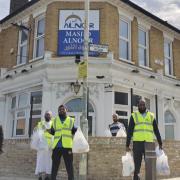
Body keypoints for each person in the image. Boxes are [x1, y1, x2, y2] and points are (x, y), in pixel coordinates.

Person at [126, 99, 162, 180]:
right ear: (138, 105)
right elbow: (129, 131)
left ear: (146, 106)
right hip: (137, 144)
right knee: (137, 165)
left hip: (149, 144)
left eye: (143, 105)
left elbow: (156, 130)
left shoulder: (151, 116)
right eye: (140, 105)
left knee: (150, 165)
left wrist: (160, 143)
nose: (142, 106)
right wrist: (127, 144)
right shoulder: (134, 115)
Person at [50, 104, 77, 180]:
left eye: (63, 109)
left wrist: (77, 130)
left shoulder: (71, 120)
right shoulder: (55, 120)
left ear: (66, 110)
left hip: (67, 147)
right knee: (54, 167)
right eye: (60, 109)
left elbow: (74, 130)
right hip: (56, 147)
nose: (61, 110)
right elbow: (52, 131)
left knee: (69, 166)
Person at [34, 111, 54, 180]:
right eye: (46, 114)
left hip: (49, 147)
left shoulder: (53, 124)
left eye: (48, 114)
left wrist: (53, 145)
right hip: (41, 146)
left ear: (51, 116)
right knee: (40, 161)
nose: (47, 115)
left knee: (48, 161)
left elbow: (54, 134)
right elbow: (35, 133)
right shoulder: (40, 123)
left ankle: (47, 176)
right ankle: (40, 176)